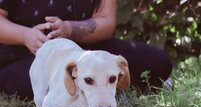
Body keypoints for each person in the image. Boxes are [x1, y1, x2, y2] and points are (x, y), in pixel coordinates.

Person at [0, 0, 172, 100]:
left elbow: (106, 22)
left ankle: (89, 88)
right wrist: (26, 36)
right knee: (29, 82)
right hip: (27, 54)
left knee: (157, 63)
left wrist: (68, 29)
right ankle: (93, 89)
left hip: (87, 49)